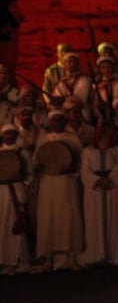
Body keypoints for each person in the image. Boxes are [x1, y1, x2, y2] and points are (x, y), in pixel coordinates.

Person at [30, 109, 85, 272]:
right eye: (54, 120)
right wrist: (38, 167)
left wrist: (71, 170)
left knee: (69, 215)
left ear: (64, 121)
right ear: (49, 122)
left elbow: (81, 161)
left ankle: (72, 257)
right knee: (48, 217)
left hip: (66, 182)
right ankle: (48, 258)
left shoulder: (72, 139)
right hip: (48, 182)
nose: (57, 122)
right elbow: (35, 161)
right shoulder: (43, 140)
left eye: (60, 119)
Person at [79, 121, 118, 267]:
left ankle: (113, 256)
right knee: (94, 220)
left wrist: (110, 180)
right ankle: (95, 255)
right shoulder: (87, 151)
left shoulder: (117, 150)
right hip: (95, 190)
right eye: (101, 132)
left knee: (114, 219)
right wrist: (97, 181)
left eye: (107, 132)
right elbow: (85, 171)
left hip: (113, 189)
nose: (104, 135)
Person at [0, 123, 33, 274]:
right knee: (3, 225)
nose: (9, 136)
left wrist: (21, 182)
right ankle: (6, 261)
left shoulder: (23, 153)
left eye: (12, 133)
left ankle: (21, 261)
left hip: (17, 190)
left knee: (18, 224)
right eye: (7, 133)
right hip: (2, 192)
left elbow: (30, 175)